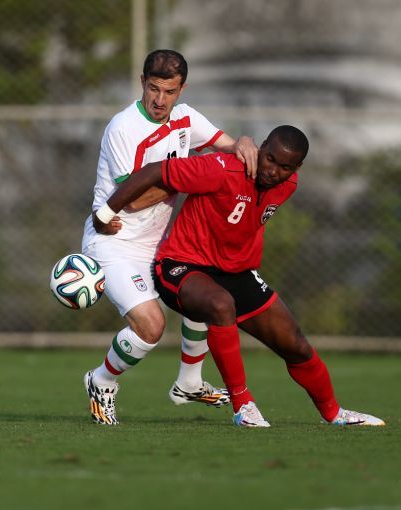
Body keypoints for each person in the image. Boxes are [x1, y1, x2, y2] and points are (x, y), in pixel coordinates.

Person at [94, 125, 385, 427]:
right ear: (261, 148)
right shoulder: (223, 168)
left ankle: (335, 414)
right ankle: (243, 406)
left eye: (285, 167)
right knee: (220, 304)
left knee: (295, 345)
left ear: (296, 168)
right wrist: (105, 213)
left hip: (236, 272)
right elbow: (155, 171)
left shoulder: (288, 184)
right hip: (181, 265)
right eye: (270, 159)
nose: (273, 170)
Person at [82, 49, 259, 426]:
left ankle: (189, 383)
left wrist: (244, 142)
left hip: (160, 247)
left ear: (182, 89)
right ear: (142, 83)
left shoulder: (186, 117)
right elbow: (132, 199)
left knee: (204, 297)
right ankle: (102, 380)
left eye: (169, 91)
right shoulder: (124, 127)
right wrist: (191, 178)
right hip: (115, 242)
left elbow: (229, 148)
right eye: (153, 88)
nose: (160, 100)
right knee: (151, 327)